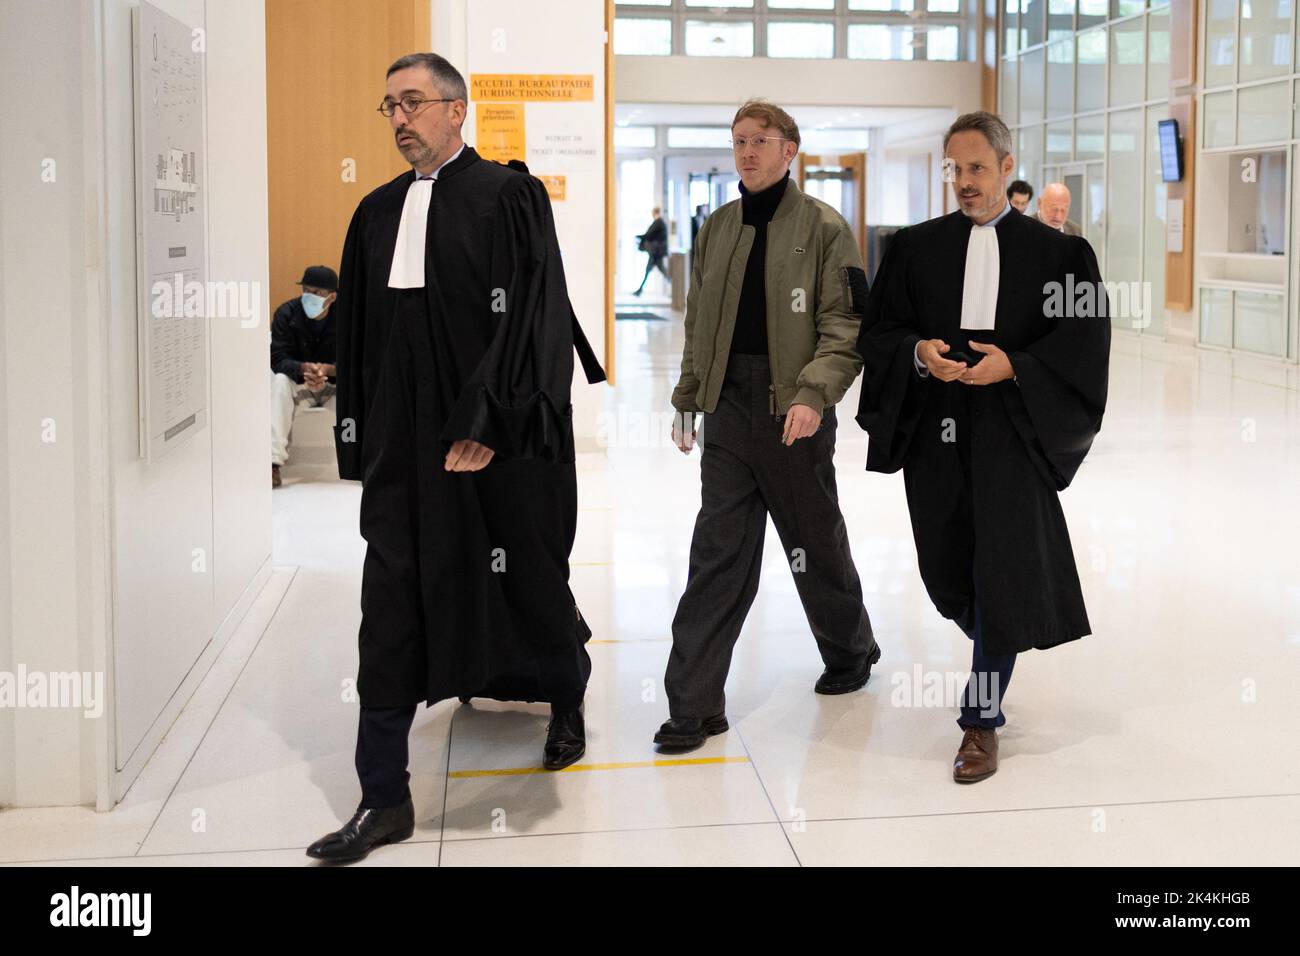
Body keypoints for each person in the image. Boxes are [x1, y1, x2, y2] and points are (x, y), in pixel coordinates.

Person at [306, 52, 605, 863]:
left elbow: (534, 319)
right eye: (389, 106)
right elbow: (359, 341)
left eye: (413, 103)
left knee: (529, 577)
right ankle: (383, 795)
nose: (399, 119)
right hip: (405, 456)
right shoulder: (374, 213)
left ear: (455, 111)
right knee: (392, 605)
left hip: (497, 444)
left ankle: (566, 699)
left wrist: (488, 419)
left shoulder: (510, 197)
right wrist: (360, 440)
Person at [855, 111, 1109, 783]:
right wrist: (916, 352)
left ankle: (979, 720)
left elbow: (1083, 346)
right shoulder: (913, 249)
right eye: (955, 169)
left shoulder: (1060, 256)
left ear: (1005, 167)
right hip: (936, 429)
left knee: (999, 573)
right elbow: (877, 334)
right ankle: (1004, 634)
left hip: (1013, 432)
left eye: (976, 168)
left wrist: (1017, 365)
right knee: (947, 576)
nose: (964, 182)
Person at [658, 99, 880, 753]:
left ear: (790, 150)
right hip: (729, 408)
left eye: (760, 140)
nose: (747, 151)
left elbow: (849, 323)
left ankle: (850, 649)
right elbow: (700, 321)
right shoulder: (717, 227)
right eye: (738, 141)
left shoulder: (826, 228)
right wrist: (689, 398)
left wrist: (814, 395)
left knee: (813, 541)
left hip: (795, 408)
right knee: (717, 552)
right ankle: (694, 706)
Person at [270, 265, 338, 487]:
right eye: (306, 290)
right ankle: (272, 463)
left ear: (332, 296)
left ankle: (357, 455)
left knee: (360, 390)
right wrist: (304, 368)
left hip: (335, 386)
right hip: (300, 383)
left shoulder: (348, 317)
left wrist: (329, 370)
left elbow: (359, 360)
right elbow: (278, 358)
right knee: (279, 382)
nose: (310, 297)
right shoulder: (286, 313)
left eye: (317, 293)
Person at [632, 207, 669, 296]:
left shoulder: (659, 222)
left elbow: (649, 234)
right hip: (656, 253)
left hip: (657, 253)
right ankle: (640, 290)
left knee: (660, 270)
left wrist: (639, 237)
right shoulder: (659, 222)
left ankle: (675, 286)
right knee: (650, 270)